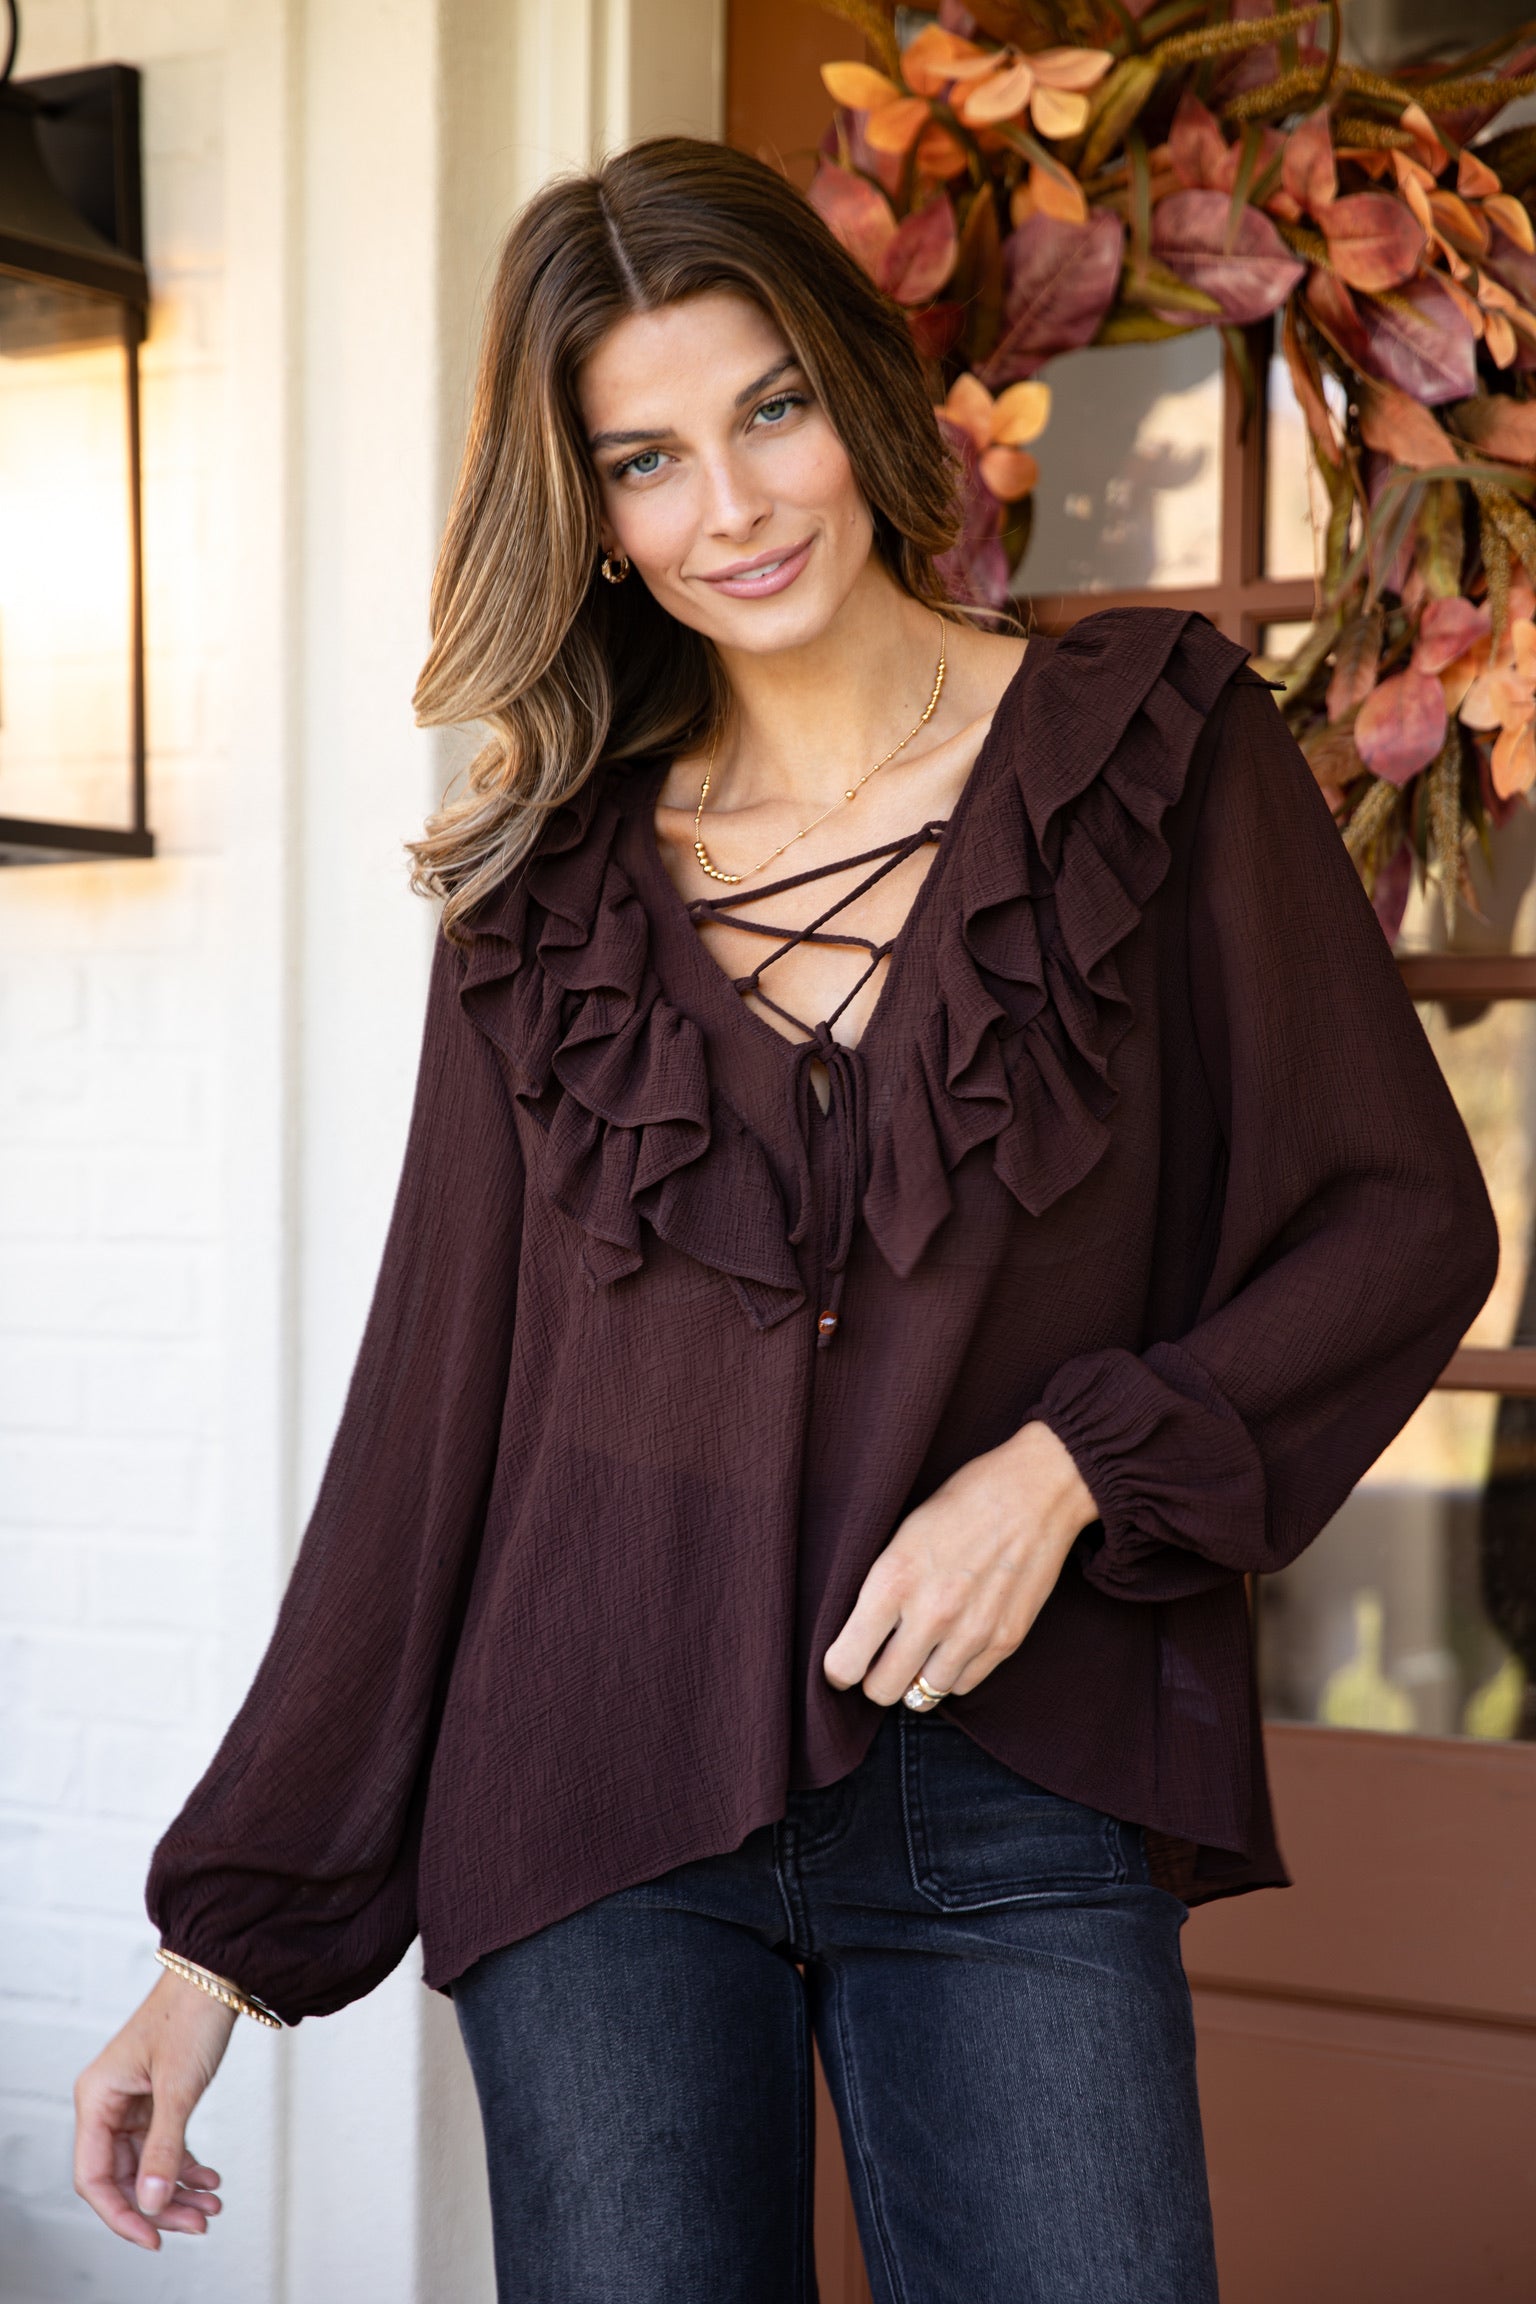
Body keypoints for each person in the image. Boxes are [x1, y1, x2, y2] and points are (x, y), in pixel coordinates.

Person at [73, 137, 1497, 2303]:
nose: (729, 508)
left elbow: (1398, 1228)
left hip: (1017, 1789)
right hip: (596, 1806)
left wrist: (1065, 1470)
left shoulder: (1155, 752)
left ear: (856, 395)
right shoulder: (540, 903)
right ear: (600, 527)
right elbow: (428, 1427)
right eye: (644, 461)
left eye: (766, 412)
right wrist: (222, 1952)